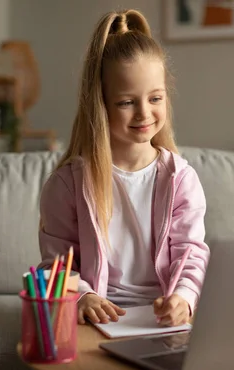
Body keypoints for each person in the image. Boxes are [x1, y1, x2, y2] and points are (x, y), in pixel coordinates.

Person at [37, 9, 210, 328]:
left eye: (155, 98)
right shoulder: (66, 185)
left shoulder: (180, 179)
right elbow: (57, 264)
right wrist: (83, 297)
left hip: (161, 319)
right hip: (96, 318)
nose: (144, 113)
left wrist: (184, 297)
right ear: (99, 104)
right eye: (126, 102)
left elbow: (192, 252)